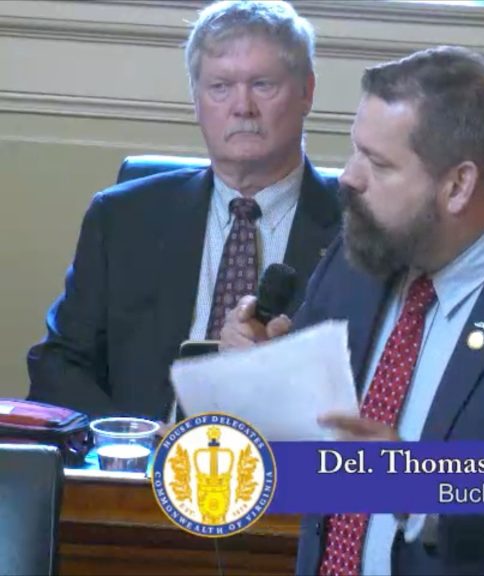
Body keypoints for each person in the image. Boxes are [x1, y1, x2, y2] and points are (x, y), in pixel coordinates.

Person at [220, 46, 484, 575]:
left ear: (458, 186)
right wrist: (261, 372)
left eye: (378, 164)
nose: (348, 178)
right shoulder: (360, 254)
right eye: (356, 151)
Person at [26, 0, 341, 421]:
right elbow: (57, 365)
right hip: (144, 470)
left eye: (263, 84)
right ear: (196, 99)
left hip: (292, 471)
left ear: (307, 92)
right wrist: (135, 439)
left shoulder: (359, 227)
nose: (242, 107)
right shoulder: (123, 218)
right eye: (220, 87)